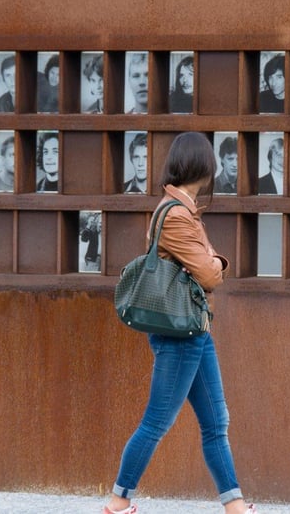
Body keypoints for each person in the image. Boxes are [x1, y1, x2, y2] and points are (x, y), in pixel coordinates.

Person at [104, 131, 256, 514]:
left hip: (196, 332)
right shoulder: (175, 215)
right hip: (179, 335)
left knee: (216, 421)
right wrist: (218, 261)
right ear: (203, 167)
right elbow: (207, 275)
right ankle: (119, 499)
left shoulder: (180, 210)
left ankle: (234, 503)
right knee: (156, 421)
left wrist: (207, 257)